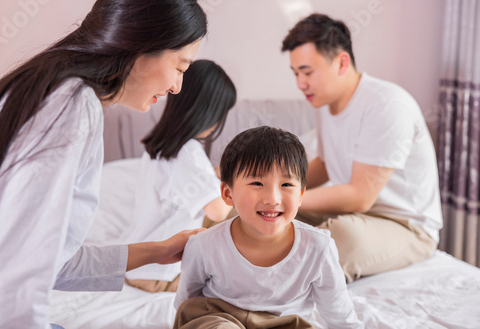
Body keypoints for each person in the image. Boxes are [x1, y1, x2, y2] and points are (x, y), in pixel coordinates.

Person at [0, 0, 207, 328]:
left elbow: (51, 263)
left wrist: (158, 251)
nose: (177, 86)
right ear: (143, 45)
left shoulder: (49, 87)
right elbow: (13, 283)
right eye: (180, 67)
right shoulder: (71, 107)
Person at [281, 13, 442, 282]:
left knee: (341, 237)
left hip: (406, 226)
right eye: (296, 73)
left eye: (307, 72)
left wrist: (281, 199)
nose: (301, 83)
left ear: (342, 62)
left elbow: (360, 196)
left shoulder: (387, 105)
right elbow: (326, 162)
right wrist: (278, 187)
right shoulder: (324, 103)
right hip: (356, 214)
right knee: (247, 209)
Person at [174, 126, 363, 329]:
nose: (273, 199)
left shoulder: (318, 247)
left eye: (286, 185)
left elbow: (339, 314)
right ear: (228, 194)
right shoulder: (204, 245)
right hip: (220, 318)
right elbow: (186, 303)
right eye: (257, 183)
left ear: (300, 195)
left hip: (285, 324)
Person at [121, 59, 236, 292]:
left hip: (139, 267)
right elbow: (218, 210)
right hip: (160, 273)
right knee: (239, 281)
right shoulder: (189, 152)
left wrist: (213, 179)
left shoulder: (159, 147)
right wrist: (232, 181)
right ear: (208, 112)